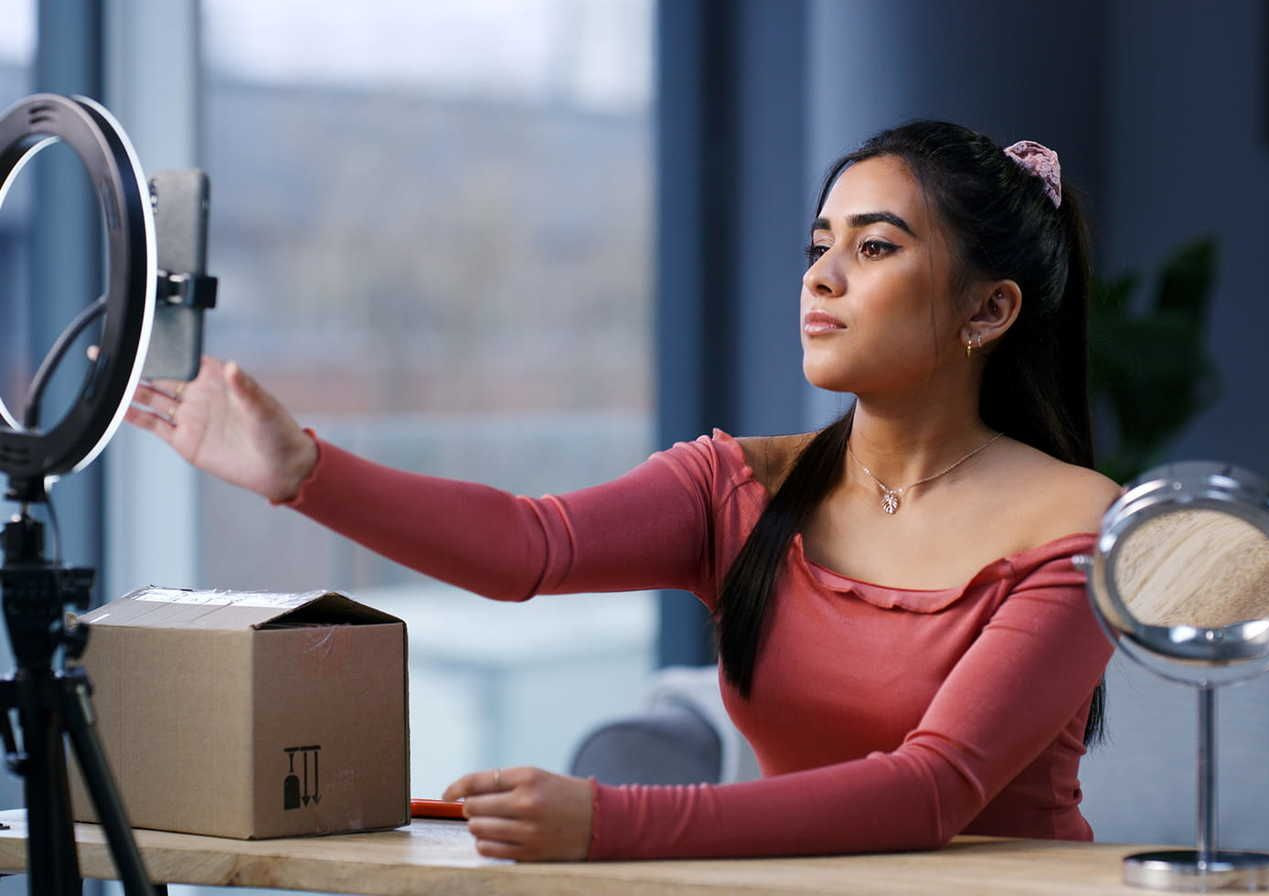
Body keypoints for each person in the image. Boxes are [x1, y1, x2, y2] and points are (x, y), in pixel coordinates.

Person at [125, 120, 1124, 863]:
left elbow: (928, 791)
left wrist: (606, 820)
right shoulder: (738, 486)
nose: (820, 276)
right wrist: (305, 473)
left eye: (874, 246)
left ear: (988, 309)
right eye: (817, 243)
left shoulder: (1079, 529)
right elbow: (527, 546)